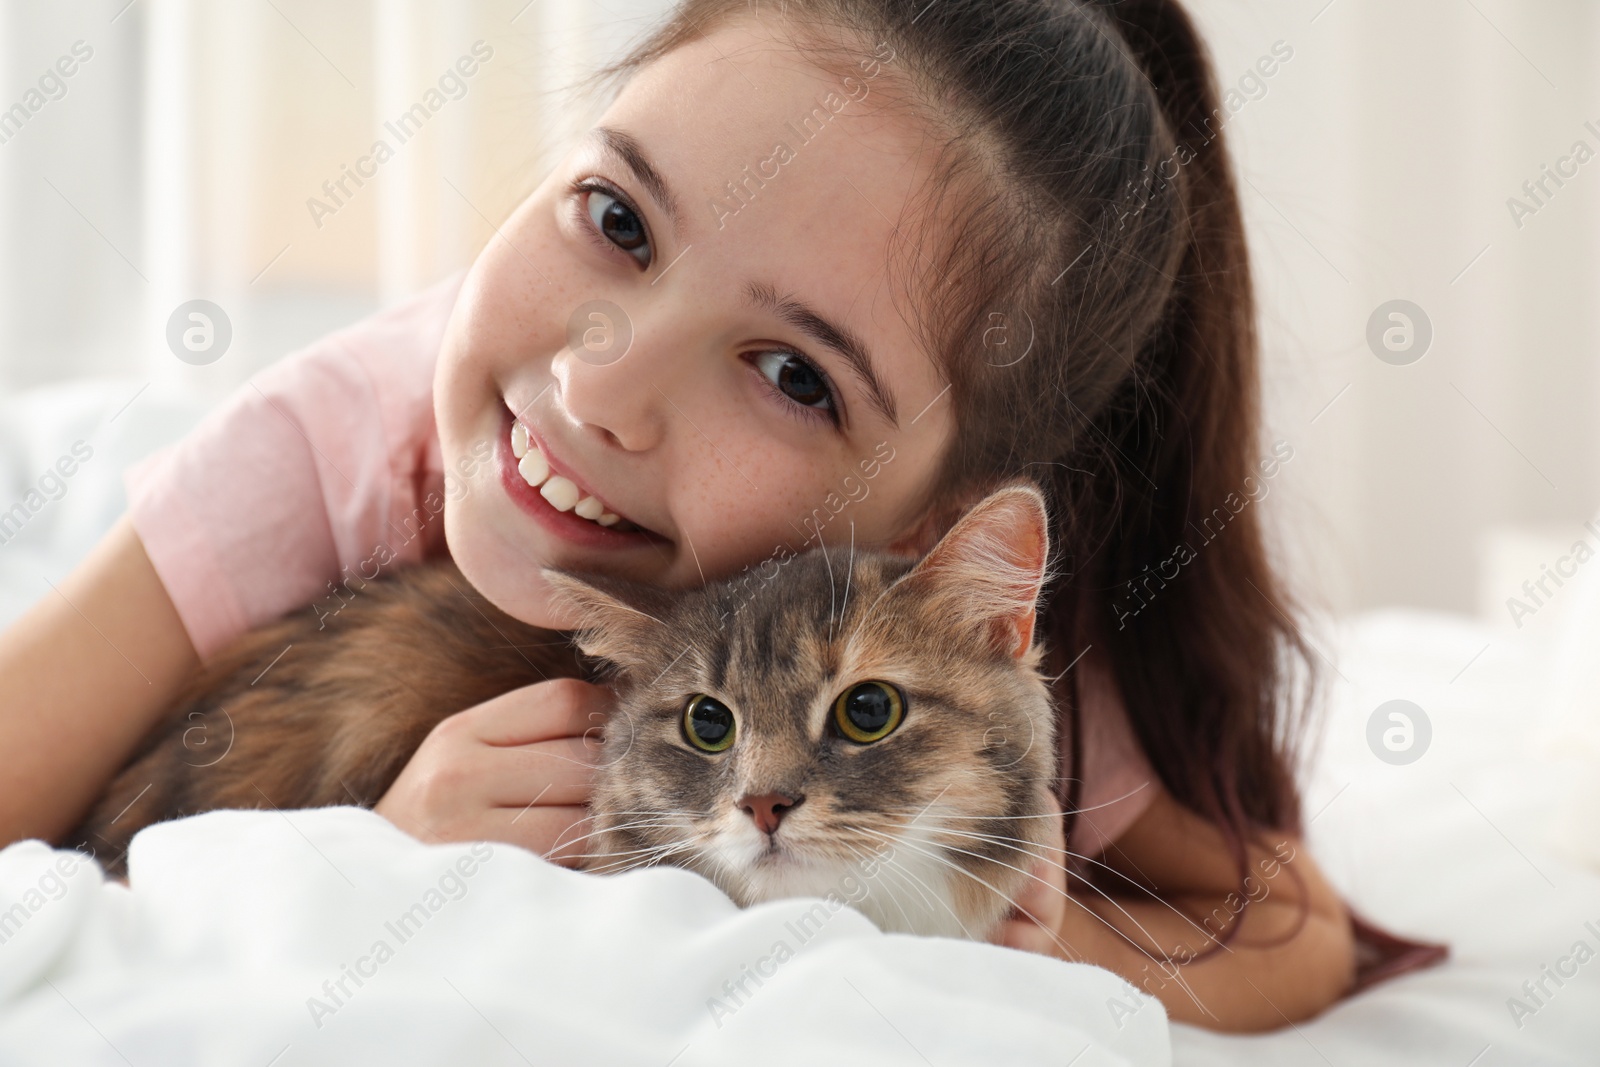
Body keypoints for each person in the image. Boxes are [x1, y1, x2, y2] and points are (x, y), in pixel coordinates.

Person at [0, 0, 1441, 1031]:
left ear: (929, 513)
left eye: (791, 375)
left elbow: (1289, 930)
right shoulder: (343, 438)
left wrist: (1022, 936)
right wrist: (371, 853)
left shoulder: (943, 618)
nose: (596, 384)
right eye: (618, 217)